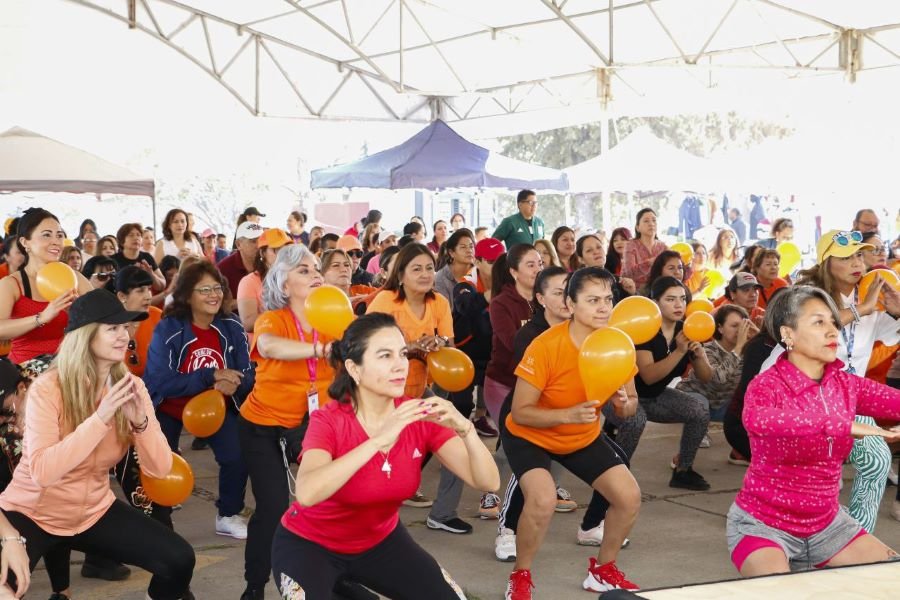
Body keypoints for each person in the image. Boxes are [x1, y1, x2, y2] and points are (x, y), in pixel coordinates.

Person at [271, 313, 498, 599]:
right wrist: (378, 440)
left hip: (381, 544)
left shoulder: (419, 415)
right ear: (354, 368)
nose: (400, 365)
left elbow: (488, 482)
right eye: (385, 356)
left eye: (402, 354)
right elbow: (306, 493)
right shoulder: (329, 420)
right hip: (309, 546)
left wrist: (466, 429)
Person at [0, 289, 196, 600]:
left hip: (92, 511)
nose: (124, 336)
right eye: (112, 328)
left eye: (124, 327)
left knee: (179, 560)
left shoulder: (132, 387)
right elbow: (42, 472)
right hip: (32, 512)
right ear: (86, 336)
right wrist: (100, 419)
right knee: (6, 590)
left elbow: (160, 469)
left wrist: (141, 424)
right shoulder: (48, 389)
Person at [726, 286, 900, 577]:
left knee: (891, 579)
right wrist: (839, 425)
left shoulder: (846, 384)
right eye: (819, 322)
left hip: (829, 527)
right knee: (778, 591)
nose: (833, 331)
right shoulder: (766, 385)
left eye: (833, 321)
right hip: (764, 526)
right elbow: (760, 419)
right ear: (788, 334)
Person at [503, 267, 641, 599]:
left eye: (607, 299)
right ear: (570, 304)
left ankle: (602, 571)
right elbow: (520, 411)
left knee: (628, 497)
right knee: (543, 499)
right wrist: (566, 414)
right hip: (529, 433)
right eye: (592, 300)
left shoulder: (617, 344)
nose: (603, 307)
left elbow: (631, 406)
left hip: (580, 434)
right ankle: (520, 575)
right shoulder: (545, 345)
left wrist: (623, 404)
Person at [773, 229, 900, 535]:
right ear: (827, 263)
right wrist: (861, 310)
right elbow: (806, 333)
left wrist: (897, 311)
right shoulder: (806, 296)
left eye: (859, 255)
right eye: (846, 257)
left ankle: (856, 538)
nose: (857, 262)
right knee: (809, 477)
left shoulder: (870, 296)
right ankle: (793, 534)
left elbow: (890, 334)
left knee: (876, 461)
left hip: (848, 399)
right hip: (800, 396)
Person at [237, 244, 336, 600]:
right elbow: (268, 347)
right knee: (273, 508)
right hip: (261, 426)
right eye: (304, 270)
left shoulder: (332, 320)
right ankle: (254, 585)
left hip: (312, 426)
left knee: (326, 503)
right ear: (284, 282)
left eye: (316, 269)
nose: (315, 275)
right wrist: (320, 351)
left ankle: (332, 580)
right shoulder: (272, 319)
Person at [143, 261, 254, 539]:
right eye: (204, 289)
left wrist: (233, 383)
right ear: (187, 294)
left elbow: (249, 373)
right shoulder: (168, 327)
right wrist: (210, 375)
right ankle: (160, 523)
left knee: (237, 456)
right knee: (161, 464)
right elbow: (159, 381)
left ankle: (228, 514)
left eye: (217, 288)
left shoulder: (231, 324)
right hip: (168, 406)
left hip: (214, 407)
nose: (213, 295)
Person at [366, 244, 462, 527]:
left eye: (430, 268)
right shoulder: (385, 301)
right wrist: (407, 349)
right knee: (379, 457)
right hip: (382, 394)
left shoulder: (439, 302)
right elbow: (365, 348)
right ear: (401, 274)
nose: (425, 274)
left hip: (418, 390)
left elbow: (450, 345)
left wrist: (438, 343)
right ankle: (369, 518)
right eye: (416, 269)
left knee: (456, 437)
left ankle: (443, 514)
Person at [603, 276, 714, 491]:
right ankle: (615, 477)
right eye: (670, 299)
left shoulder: (686, 329)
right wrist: (679, 352)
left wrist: (700, 356)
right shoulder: (645, 329)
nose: (678, 305)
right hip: (619, 394)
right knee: (636, 420)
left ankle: (683, 471)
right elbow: (648, 376)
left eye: (682, 299)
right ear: (655, 303)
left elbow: (706, 377)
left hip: (654, 396)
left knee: (699, 411)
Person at [0, 209, 93, 364]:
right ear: (25, 242)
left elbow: (102, 319)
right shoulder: (11, 284)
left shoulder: (74, 277)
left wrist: (79, 314)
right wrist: (41, 318)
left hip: (70, 367)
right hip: (26, 372)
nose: (56, 241)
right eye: (47, 235)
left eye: (59, 235)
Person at [677, 305, 751, 422]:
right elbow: (717, 380)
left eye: (743, 326)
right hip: (694, 397)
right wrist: (738, 348)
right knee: (700, 403)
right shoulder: (707, 349)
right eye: (734, 326)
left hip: (721, 406)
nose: (740, 331)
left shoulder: (748, 351)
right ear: (720, 328)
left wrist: (758, 336)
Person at [236, 228, 293, 332]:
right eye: (276, 250)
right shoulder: (249, 282)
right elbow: (248, 324)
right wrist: (284, 313)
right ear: (262, 253)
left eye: (286, 250)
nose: (283, 255)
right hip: (263, 338)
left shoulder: (294, 277)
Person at [218, 222, 264, 311]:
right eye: (253, 241)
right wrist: (252, 301)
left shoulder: (269, 264)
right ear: (238, 244)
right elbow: (221, 304)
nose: (259, 245)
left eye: (261, 240)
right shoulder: (223, 269)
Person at [622, 208, 667, 288]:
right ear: (637, 228)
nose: (651, 224)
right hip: (634, 290)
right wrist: (649, 263)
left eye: (654, 220)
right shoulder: (630, 245)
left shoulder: (663, 247)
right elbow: (628, 274)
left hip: (659, 289)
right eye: (646, 221)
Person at [112, 223, 167, 290]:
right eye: (131, 235)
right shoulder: (113, 260)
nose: (136, 238)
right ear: (122, 241)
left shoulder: (147, 257)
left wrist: (150, 274)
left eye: (139, 235)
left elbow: (162, 286)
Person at [434, 229, 476, 308]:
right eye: (463, 247)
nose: (469, 250)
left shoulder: (480, 272)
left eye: (471, 246)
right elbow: (443, 311)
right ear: (451, 253)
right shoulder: (441, 278)